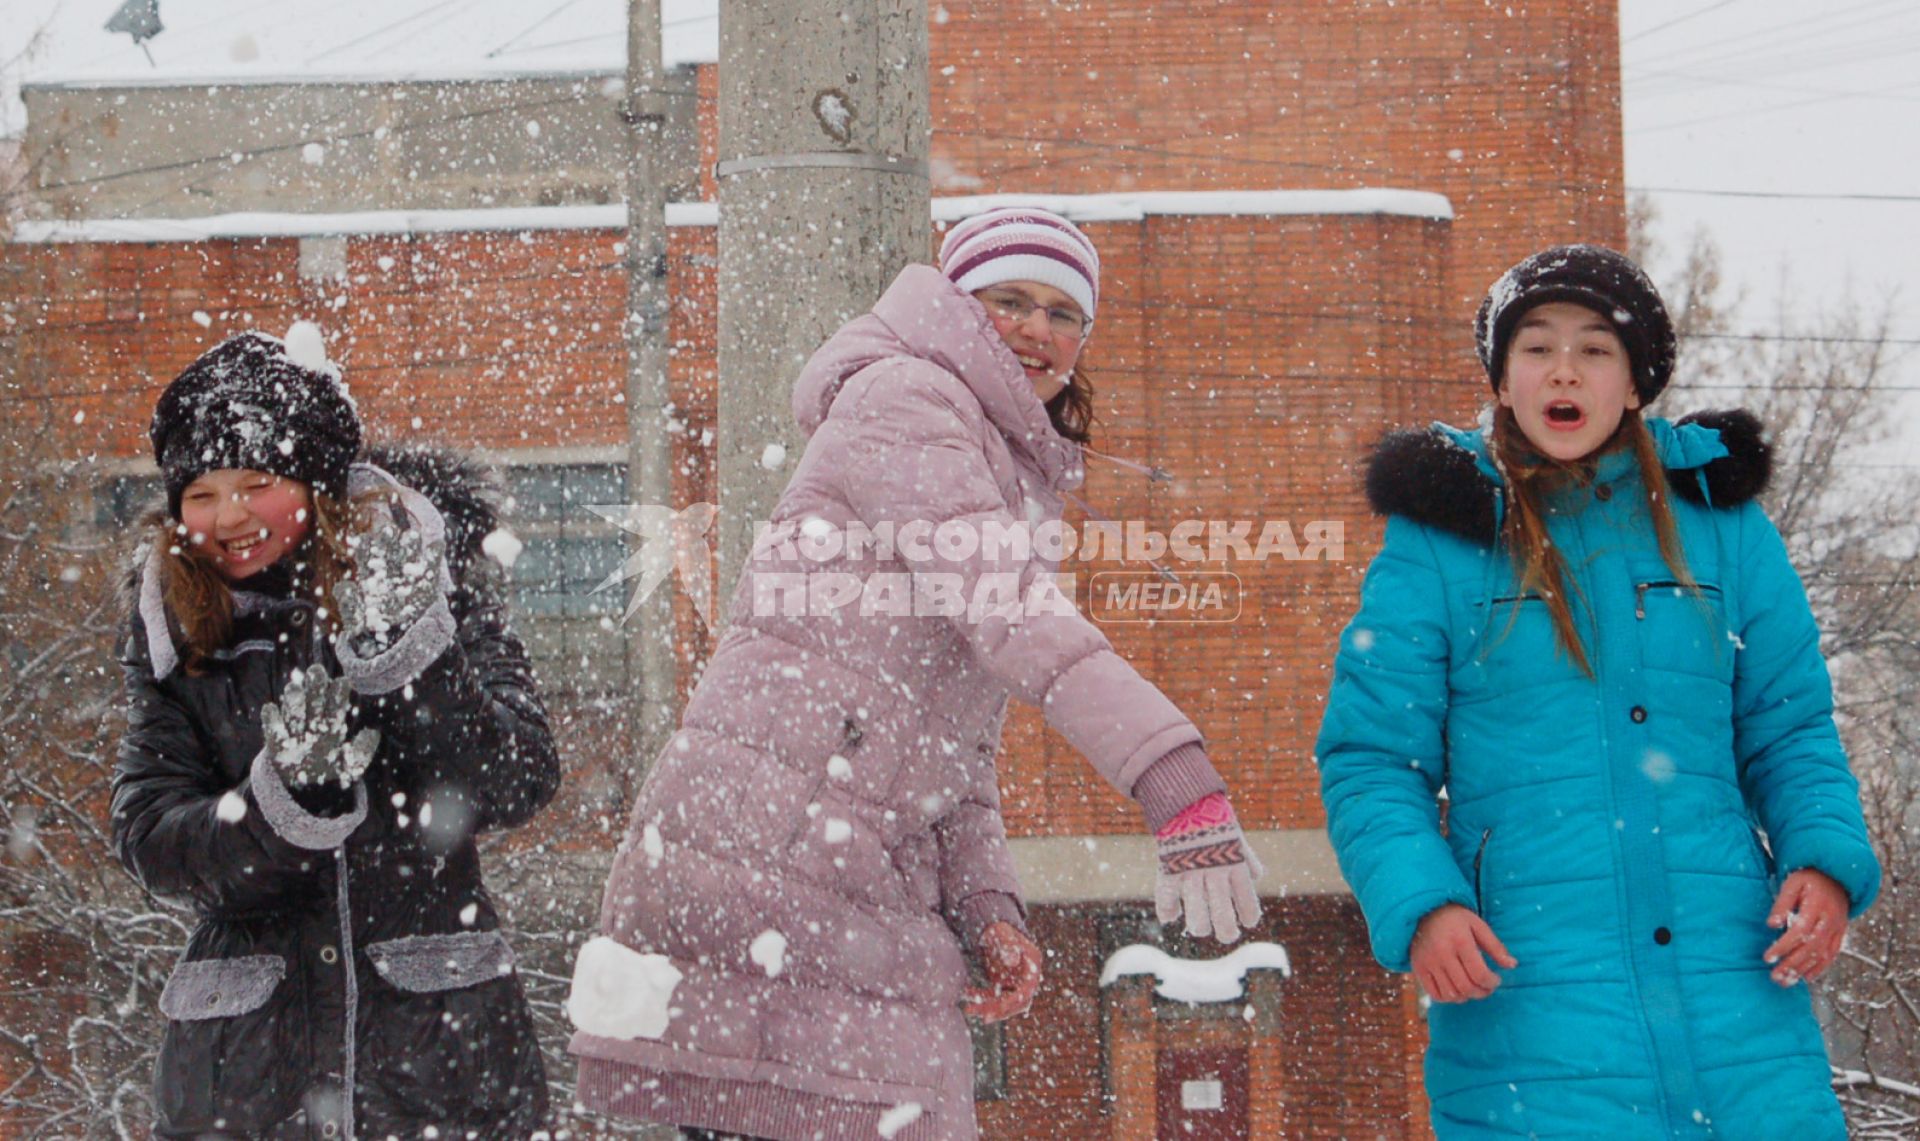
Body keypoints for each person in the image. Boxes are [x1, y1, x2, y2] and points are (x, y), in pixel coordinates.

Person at [567, 207, 1264, 1140]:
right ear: (957, 305)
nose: (1038, 330)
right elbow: (1011, 612)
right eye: (1009, 299)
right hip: (773, 856)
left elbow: (951, 737)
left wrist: (986, 906)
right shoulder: (908, 400)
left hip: (838, 860)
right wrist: (1168, 771)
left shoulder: (1006, 469)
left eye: (1065, 314)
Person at [1316, 244, 1881, 1138]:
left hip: (1737, 1000)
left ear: (1635, 383)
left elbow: (1791, 731)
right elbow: (1373, 760)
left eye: (1596, 348)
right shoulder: (1440, 537)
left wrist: (1823, 861)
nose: (1564, 369)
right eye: (1537, 346)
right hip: (1527, 1014)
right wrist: (1423, 901)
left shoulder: (1725, 526)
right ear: (1503, 380)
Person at [111, 327, 562, 1139]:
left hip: (438, 1068)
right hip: (244, 1083)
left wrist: (409, 661)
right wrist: (280, 801)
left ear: (316, 485)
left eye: (257, 483)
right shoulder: (172, 630)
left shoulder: (431, 580)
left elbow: (518, 772)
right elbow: (152, 833)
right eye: (202, 493)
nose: (230, 516)